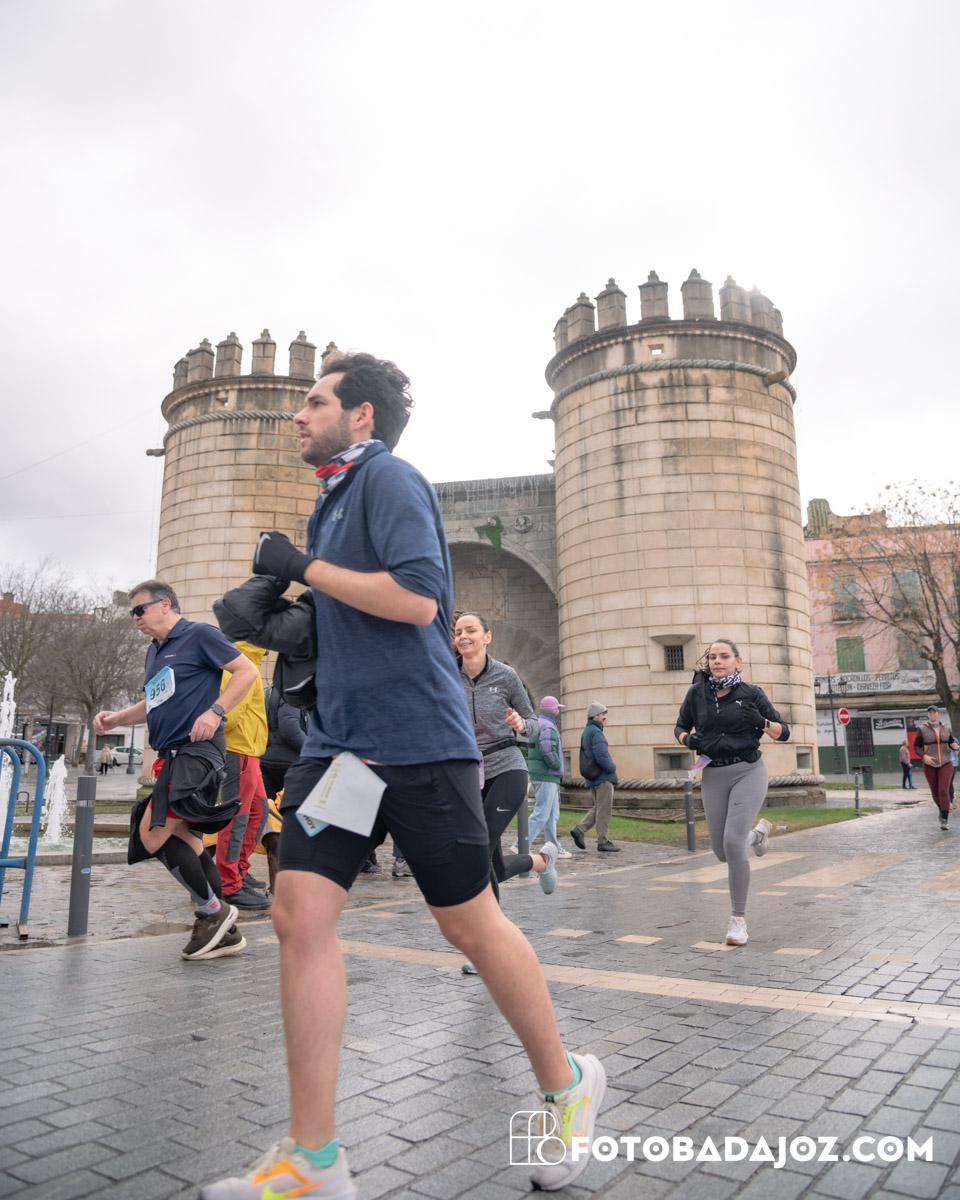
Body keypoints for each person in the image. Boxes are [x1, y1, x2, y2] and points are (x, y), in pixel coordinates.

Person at [200, 353, 604, 1200]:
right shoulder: (332, 499)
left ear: (362, 416)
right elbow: (357, 613)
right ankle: (314, 1159)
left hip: (419, 744)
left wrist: (303, 569)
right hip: (342, 751)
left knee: (471, 926)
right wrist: (288, 621)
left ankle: (567, 1084)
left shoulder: (389, 479)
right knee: (299, 916)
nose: (298, 415)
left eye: (315, 402)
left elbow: (419, 601)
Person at [93, 581, 258, 962]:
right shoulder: (155, 650)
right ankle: (225, 933)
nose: (135, 618)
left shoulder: (199, 635)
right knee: (188, 841)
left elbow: (246, 671)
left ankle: (214, 911)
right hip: (173, 756)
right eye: (132, 613)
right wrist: (118, 718)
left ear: (165, 604)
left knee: (151, 834)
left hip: (197, 751)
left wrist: (215, 712)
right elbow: (153, 703)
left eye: (140, 610)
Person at [674, 638, 789, 946]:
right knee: (722, 851)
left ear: (738, 662)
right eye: (713, 657)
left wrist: (762, 722)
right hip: (713, 773)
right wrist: (688, 740)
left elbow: (784, 732)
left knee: (733, 842)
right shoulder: (697, 693)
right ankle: (759, 835)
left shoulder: (752, 694)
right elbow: (680, 727)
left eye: (724, 656)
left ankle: (738, 921)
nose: (717, 661)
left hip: (748, 771)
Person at [454, 611, 559, 943]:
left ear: (487, 637)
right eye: (458, 632)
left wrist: (521, 724)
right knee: (493, 867)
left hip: (507, 768)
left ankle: (489, 942)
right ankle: (541, 860)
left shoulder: (506, 675)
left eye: (471, 630)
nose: (463, 636)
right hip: (470, 775)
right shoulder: (448, 677)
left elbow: (534, 724)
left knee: (477, 850)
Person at [213, 641, 270, 911]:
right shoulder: (239, 663)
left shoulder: (250, 662)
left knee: (258, 813)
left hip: (249, 752)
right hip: (238, 751)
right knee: (237, 818)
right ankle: (229, 884)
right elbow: (229, 715)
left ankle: (238, 872)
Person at [570, 701, 620, 852]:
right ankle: (602, 841)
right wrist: (613, 768)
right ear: (595, 716)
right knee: (604, 810)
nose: (605, 717)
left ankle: (579, 830)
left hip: (593, 777)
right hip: (602, 777)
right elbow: (602, 757)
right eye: (602, 714)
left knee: (599, 807)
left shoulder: (588, 731)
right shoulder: (596, 733)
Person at [527, 695, 569, 857]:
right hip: (547, 774)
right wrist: (557, 765)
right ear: (552, 710)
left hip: (543, 774)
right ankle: (521, 844)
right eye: (557, 707)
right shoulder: (548, 726)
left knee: (551, 815)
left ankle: (554, 847)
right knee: (542, 814)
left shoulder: (540, 724)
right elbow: (547, 749)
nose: (558, 710)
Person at [914, 706, 959, 831]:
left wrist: (955, 747)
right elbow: (916, 746)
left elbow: (952, 743)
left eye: (934, 712)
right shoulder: (922, 729)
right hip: (930, 764)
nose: (932, 714)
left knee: (943, 790)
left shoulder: (946, 728)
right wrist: (924, 756)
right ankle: (941, 808)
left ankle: (944, 819)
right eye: (930, 712)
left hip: (946, 762)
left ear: (938, 714)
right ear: (928, 715)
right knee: (935, 792)